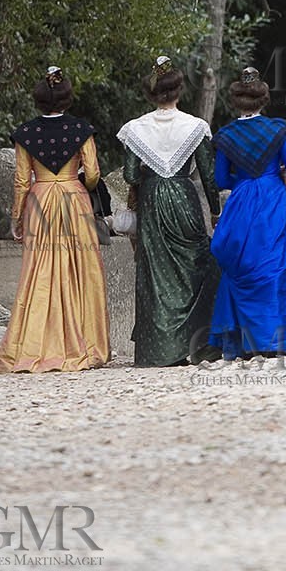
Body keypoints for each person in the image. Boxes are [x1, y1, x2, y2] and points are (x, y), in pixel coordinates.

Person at [0, 66, 110, 373]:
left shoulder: (25, 134)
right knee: (81, 269)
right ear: (67, 98)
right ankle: (84, 344)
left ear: (39, 101)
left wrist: (17, 219)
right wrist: (81, 184)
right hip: (75, 199)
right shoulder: (82, 130)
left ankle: (34, 345)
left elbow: (21, 181)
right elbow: (94, 172)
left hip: (41, 199)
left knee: (40, 272)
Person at [117, 56, 220, 367]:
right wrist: (215, 212)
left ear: (151, 94)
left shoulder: (136, 129)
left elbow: (131, 175)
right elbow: (208, 174)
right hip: (183, 197)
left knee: (155, 271)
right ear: (180, 90)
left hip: (151, 201)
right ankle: (200, 343)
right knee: (197, 264)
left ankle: (157, 349)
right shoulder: (196, 127)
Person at [208, 66, 286, 361]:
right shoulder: (277, 129)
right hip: (273, 200)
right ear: (263, 99)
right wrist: (274, 175)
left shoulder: (226, 136)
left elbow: (222, 180)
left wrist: (246, 182)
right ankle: (275, 339)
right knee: (277, 264)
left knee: (241, 265)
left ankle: (241, 341)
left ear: (236, 102)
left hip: (241, 202)